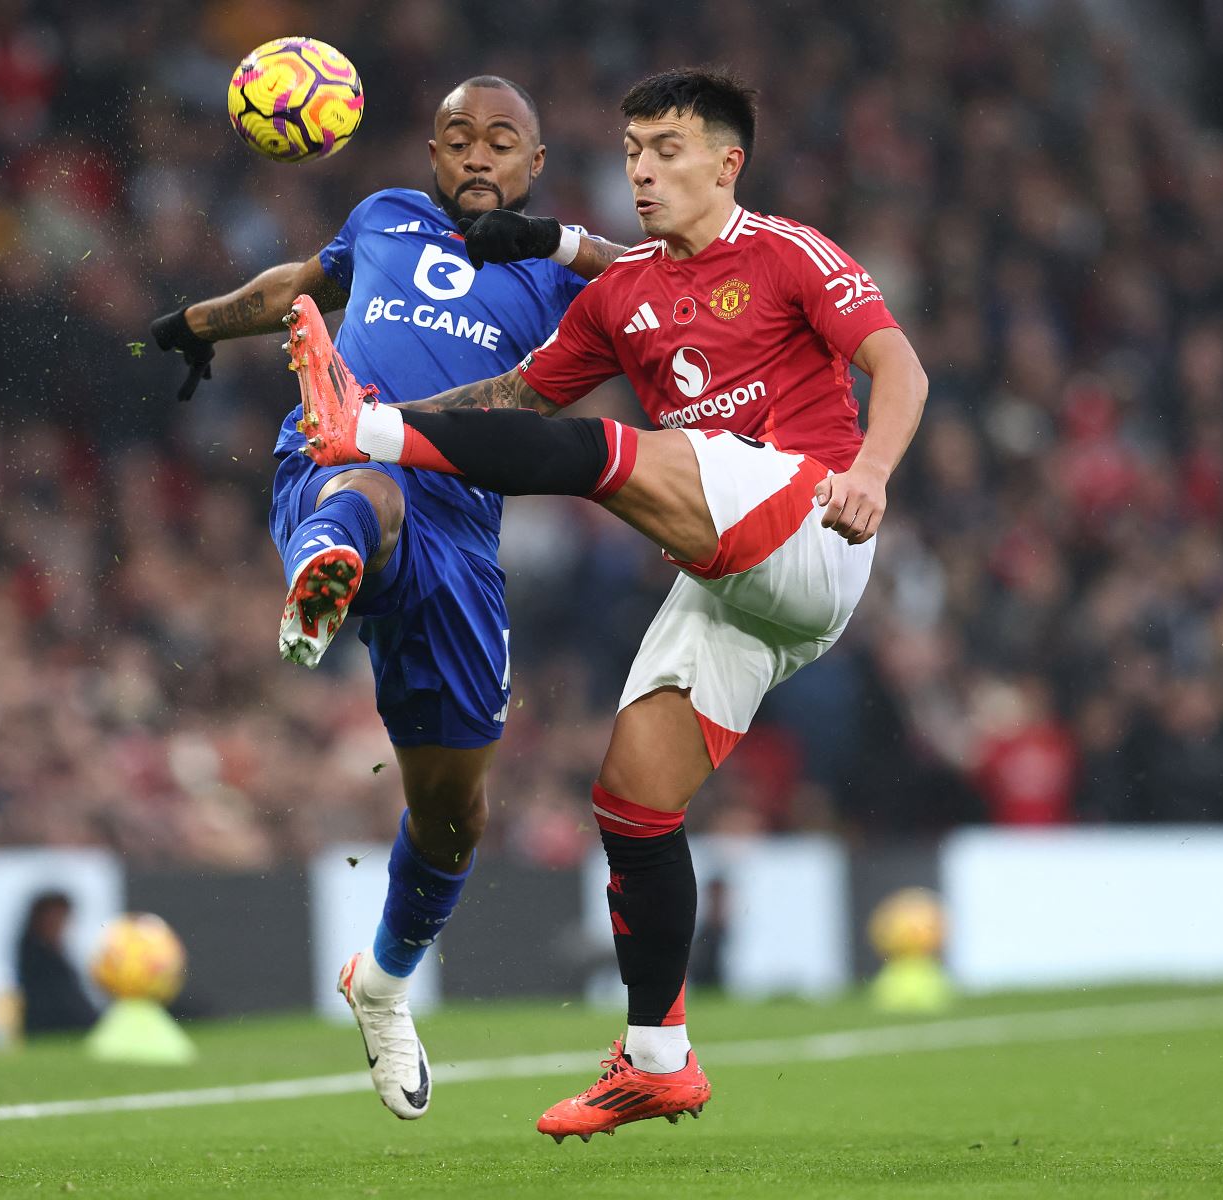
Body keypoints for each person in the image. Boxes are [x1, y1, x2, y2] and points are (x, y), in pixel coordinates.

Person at [285, 67, 929, 1141]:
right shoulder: (622, 294)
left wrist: (873, 472)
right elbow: (517, 403)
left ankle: (370, 436)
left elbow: (898, 367)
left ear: (727, 162)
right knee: (631, 796)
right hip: (734, 583)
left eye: (668, 149)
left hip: (814, 522)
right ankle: (657, 1060)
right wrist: (388, 410)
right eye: (633, 149)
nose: (642, 168)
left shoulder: (787, 252)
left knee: (616, 455)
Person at [148, 77, 624, 1120]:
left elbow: (668, 282)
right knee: (363, 475)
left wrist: (563, 242)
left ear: (535, 166)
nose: (477, 156)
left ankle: (384, 981)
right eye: (457, 138)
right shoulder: (385, 218)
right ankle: (325, 569)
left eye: (503, 140)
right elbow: (299, 289)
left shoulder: (562, 274)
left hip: (464, 525)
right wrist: (197, 323)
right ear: (432, 154)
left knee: (453, 814)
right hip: (343, 447)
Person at [15, 890, 98, 1034]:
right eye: (55, 918)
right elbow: (67, 1003)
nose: (60, 925)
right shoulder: (40, 959)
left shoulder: (52, 955)